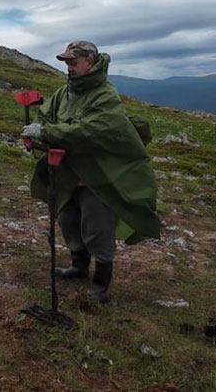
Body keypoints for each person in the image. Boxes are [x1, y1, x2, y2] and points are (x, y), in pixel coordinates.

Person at [21, 41, 159, 303]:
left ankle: (101, 285)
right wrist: (37, 135)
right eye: (66, 63)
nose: (68, 68)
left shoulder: (105, 96)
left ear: (90, 62)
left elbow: (90, 131)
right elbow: (46, 117)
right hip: (68, 174)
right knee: (69, 222)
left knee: (97, 229)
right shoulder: (65, 93)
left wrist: (48, 132)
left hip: (97, 178)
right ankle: (79, 267)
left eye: (73, 63)